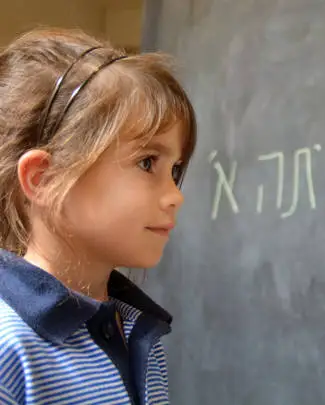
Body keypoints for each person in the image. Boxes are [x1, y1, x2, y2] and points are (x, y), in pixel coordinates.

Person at [0, 27, 197, 404]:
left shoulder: (140, 330)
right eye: (147, 162)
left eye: (175, 170)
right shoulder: (9, 346)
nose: (175, 196)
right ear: (44, 179)